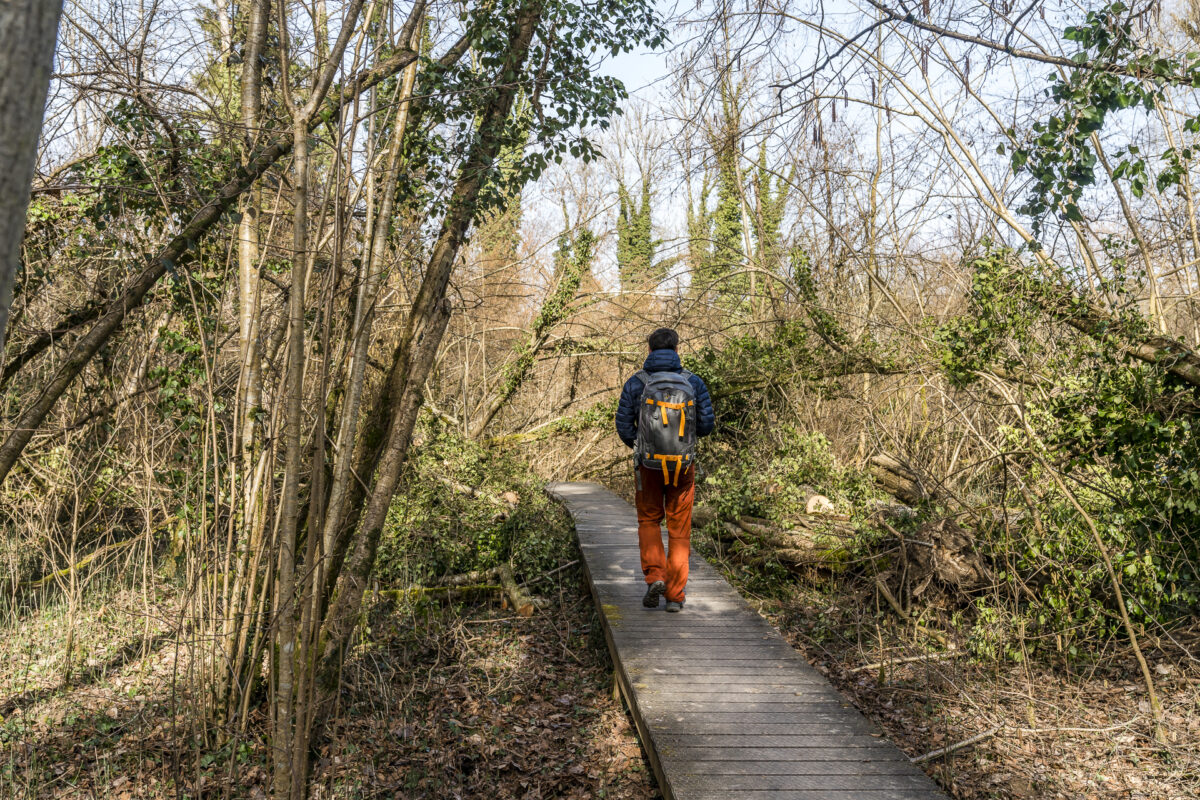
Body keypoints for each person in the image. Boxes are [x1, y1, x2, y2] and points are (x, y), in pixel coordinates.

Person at [614, 328, 715, 612]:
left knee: (649, 521)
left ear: (649, 350)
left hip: (648, 466)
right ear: (676, 349)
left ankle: (655, 576)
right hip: (683, 467)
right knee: (679, 530)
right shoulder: (693, 382)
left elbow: (623, 426)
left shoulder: (636, 383)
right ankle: (674, 596)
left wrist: (642, 447)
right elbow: (706, 425)